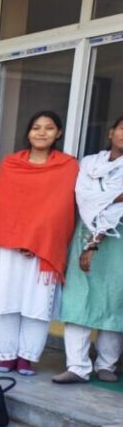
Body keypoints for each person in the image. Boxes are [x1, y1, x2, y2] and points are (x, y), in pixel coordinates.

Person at [0, 110, 78, 376]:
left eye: (49, 128)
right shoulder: (11, 163)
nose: (41, 133)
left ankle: (27, 357)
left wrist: (35, 239)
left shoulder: (68, 166)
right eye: (36, 127)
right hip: (10, 244)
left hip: (45, 247)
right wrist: (20, 239)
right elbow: (7, 205)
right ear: (28, 132)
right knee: (6, 300)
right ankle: (6, 355)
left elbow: (60, 209)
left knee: (37, 303)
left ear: (58, 133)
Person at [53, 116, 123, 385]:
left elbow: (117, 207)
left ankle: (106, 364)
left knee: (113, 301)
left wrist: (95, 242)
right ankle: (77, 366)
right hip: (84, 232)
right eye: (122, 128)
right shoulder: (90, 162)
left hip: (117, 238)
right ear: (111, 132)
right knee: (78, 298)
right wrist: (111, 197)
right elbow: (83, 196)